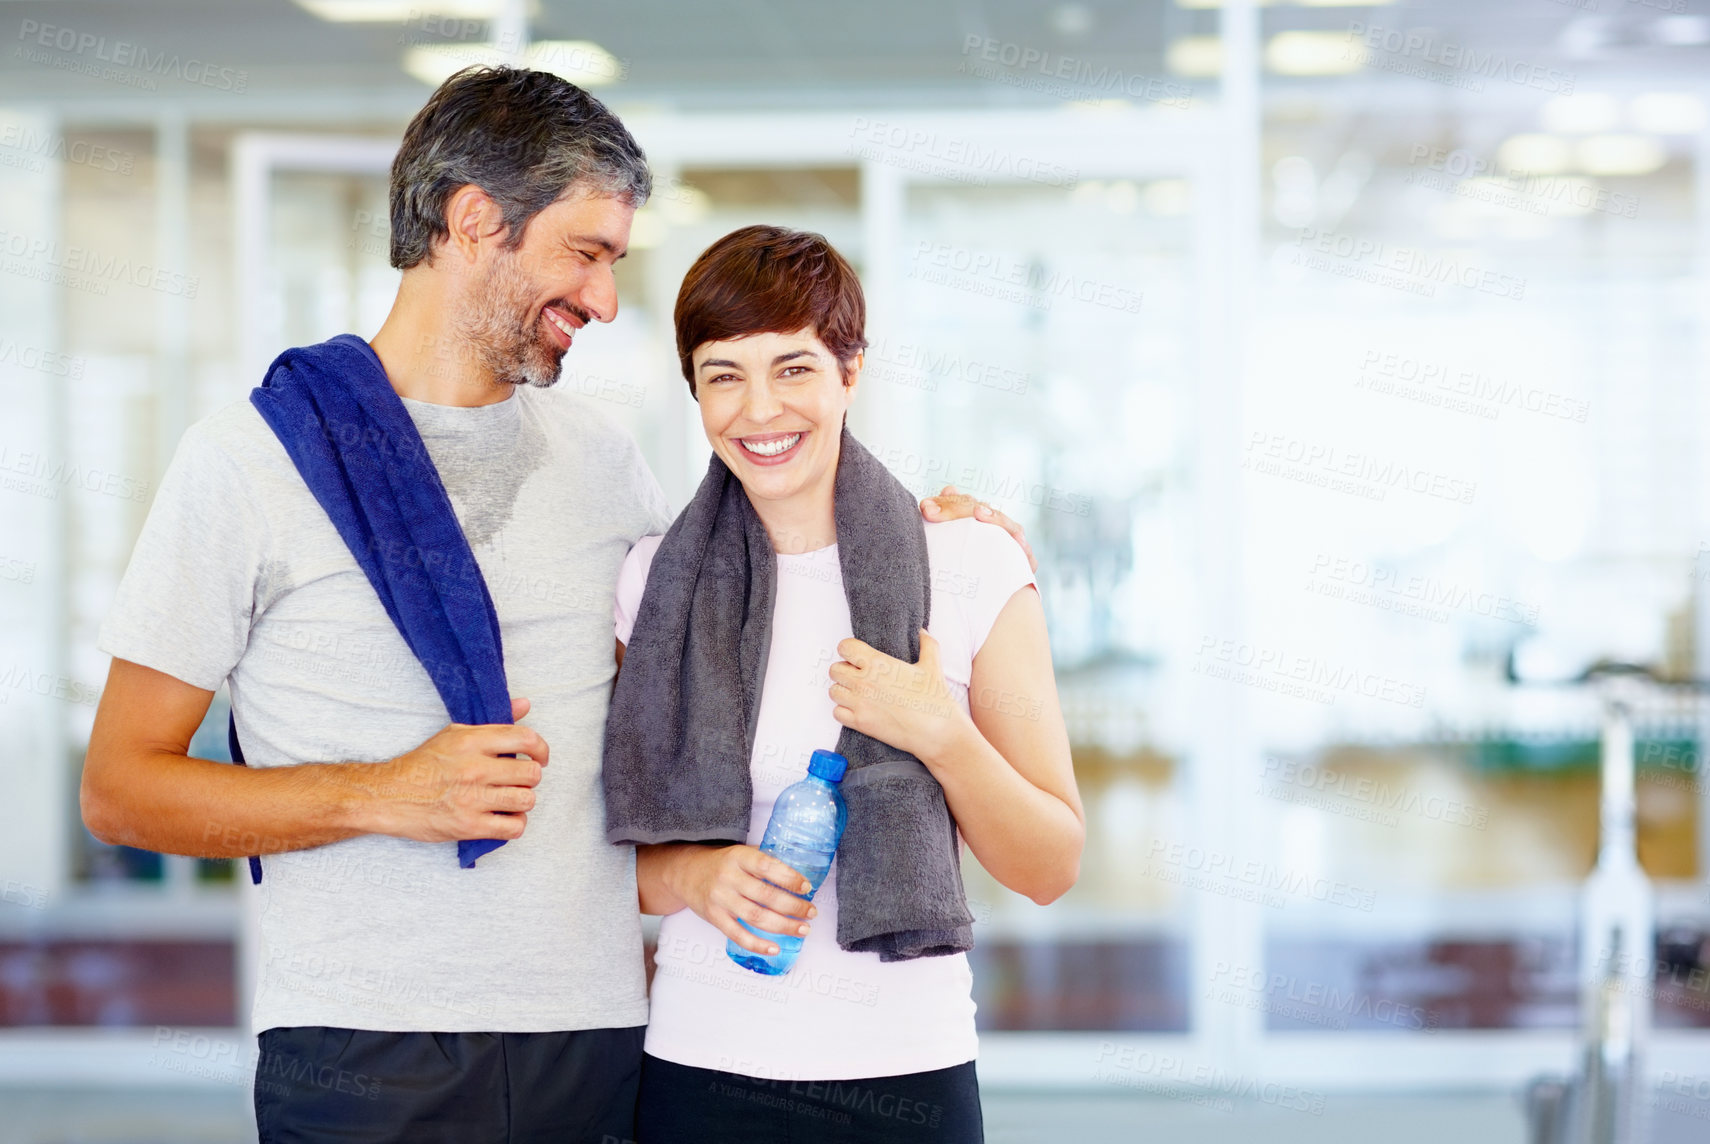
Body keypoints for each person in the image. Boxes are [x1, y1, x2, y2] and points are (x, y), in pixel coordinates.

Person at [79, 68, 1028, 1142]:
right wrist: (386, 793)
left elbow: (750, 584)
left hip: (604, 1040)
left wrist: (934, 532)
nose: (606, 299)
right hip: (367, 1049)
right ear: (475, 221)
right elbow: (121, 791)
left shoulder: (603, 462)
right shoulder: (246, 465)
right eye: (585, 253)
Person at [608, 225, 1084, 1143]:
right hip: (702, 1065)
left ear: (849, 374)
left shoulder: (970, 564)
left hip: (905, 1071)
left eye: (793, 369)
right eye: (723, 375)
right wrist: (698, 878)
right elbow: (603, 859)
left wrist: (938, 731)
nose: (758, 410)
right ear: (695, 393)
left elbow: (1048, 866)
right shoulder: (650, 583)